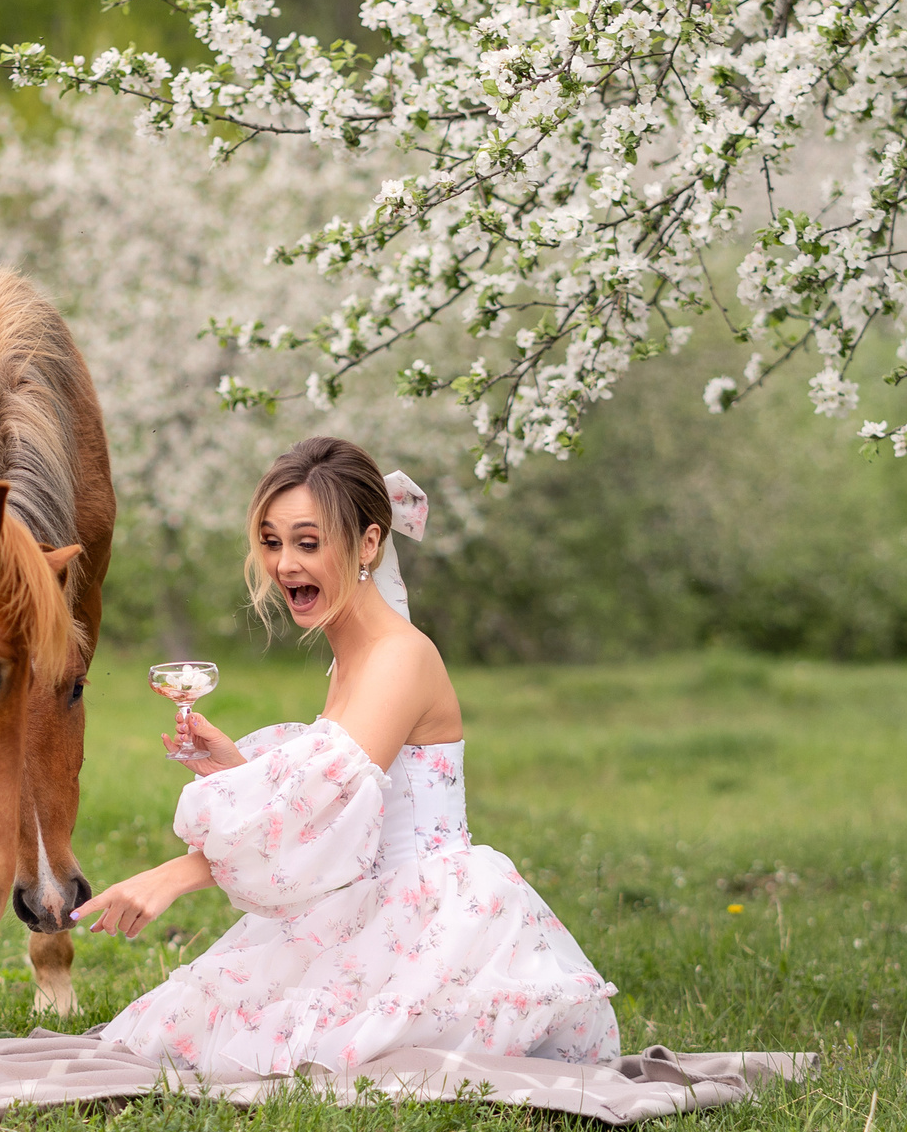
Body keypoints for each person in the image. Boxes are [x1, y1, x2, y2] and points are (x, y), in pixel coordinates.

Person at [77, 436, 621, 1077]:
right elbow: (345, 801)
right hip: (364, 902)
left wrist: (172, 876)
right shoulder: (350, 658)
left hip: (430, 913)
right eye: (273, 542)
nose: (284, 565)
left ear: (368, 545)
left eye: (308, 543)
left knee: (316, 1058)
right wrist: (238, 768)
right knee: (186, 1038)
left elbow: (315, 810)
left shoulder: (401, 656)